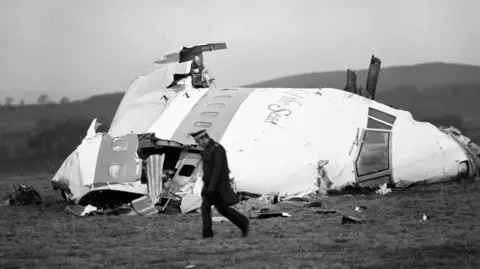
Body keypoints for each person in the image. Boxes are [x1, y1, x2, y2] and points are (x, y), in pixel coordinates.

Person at [188, 129, 250, 239]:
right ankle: (208, 234)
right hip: (209, 185)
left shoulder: (218, 149)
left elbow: (217, 170)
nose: (198, 144)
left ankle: (242, 222)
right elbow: (207, 170)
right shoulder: (207, 150)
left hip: (218, 186)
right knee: (209, 207)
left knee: (219, 209)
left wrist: (211, 187)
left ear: (204, 138)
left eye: (199, 141)